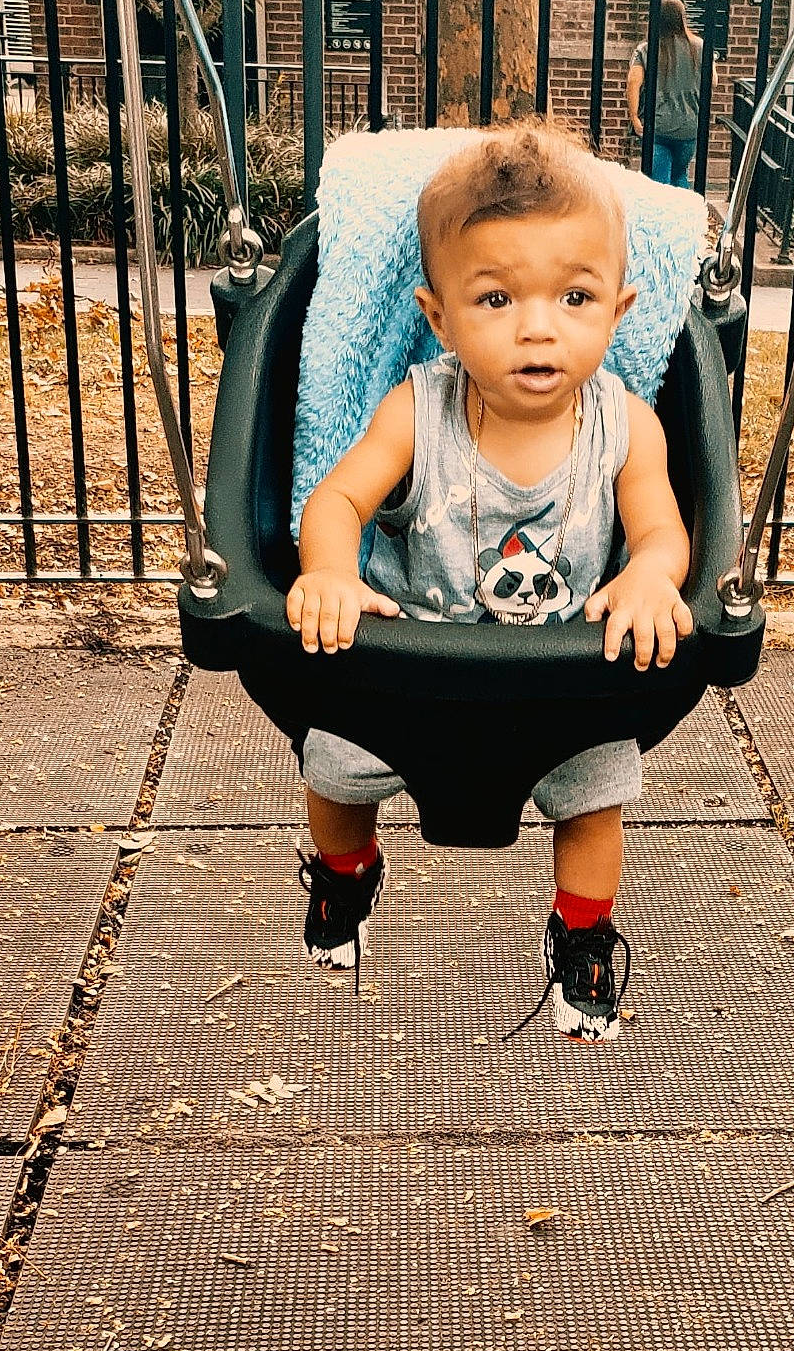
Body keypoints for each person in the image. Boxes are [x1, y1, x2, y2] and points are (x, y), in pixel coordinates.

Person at [284, 123, 695, 1043]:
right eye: (499, 296)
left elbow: (665, 532)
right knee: (332, 770)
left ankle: (583, 936)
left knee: (597, 799)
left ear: (620, 309)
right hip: (406, 672)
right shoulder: (415, 409)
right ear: (439, 316)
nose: (539, 326)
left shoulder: (627, 427)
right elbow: (336, 500)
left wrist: (647, 579)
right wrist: (329, 574)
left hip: (558, 682)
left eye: (575, 296)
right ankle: (347, 877)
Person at [628, 0, 703, 188]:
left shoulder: (646, 49)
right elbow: (713, 81)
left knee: (659, 185)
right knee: (679, 177)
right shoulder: (699, 47)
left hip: (657, 126)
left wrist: (635, 118)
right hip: (689, 125)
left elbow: (633, 82)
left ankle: (662, 216)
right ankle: (685, 216)